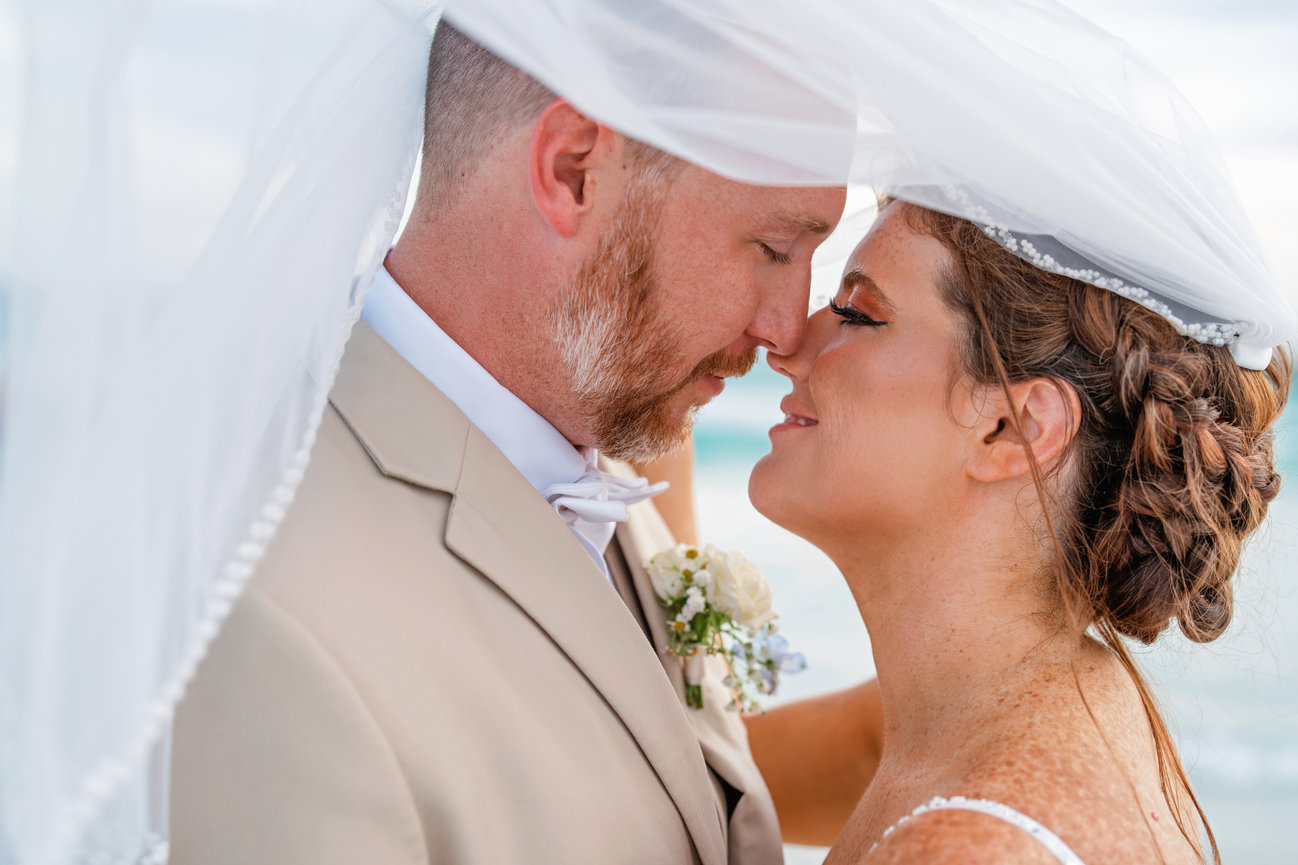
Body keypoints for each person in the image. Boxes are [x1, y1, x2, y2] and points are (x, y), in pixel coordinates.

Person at [167, 20, 844, 865]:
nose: (786, 329)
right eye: (775, 247)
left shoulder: (604, 457)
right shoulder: (273, 628)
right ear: (573, 171)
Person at [742, 197, 1289, 864]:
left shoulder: (965, 848)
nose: (785, 344)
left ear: (1014, 428)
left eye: (858, 314)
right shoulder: (1077, 698)